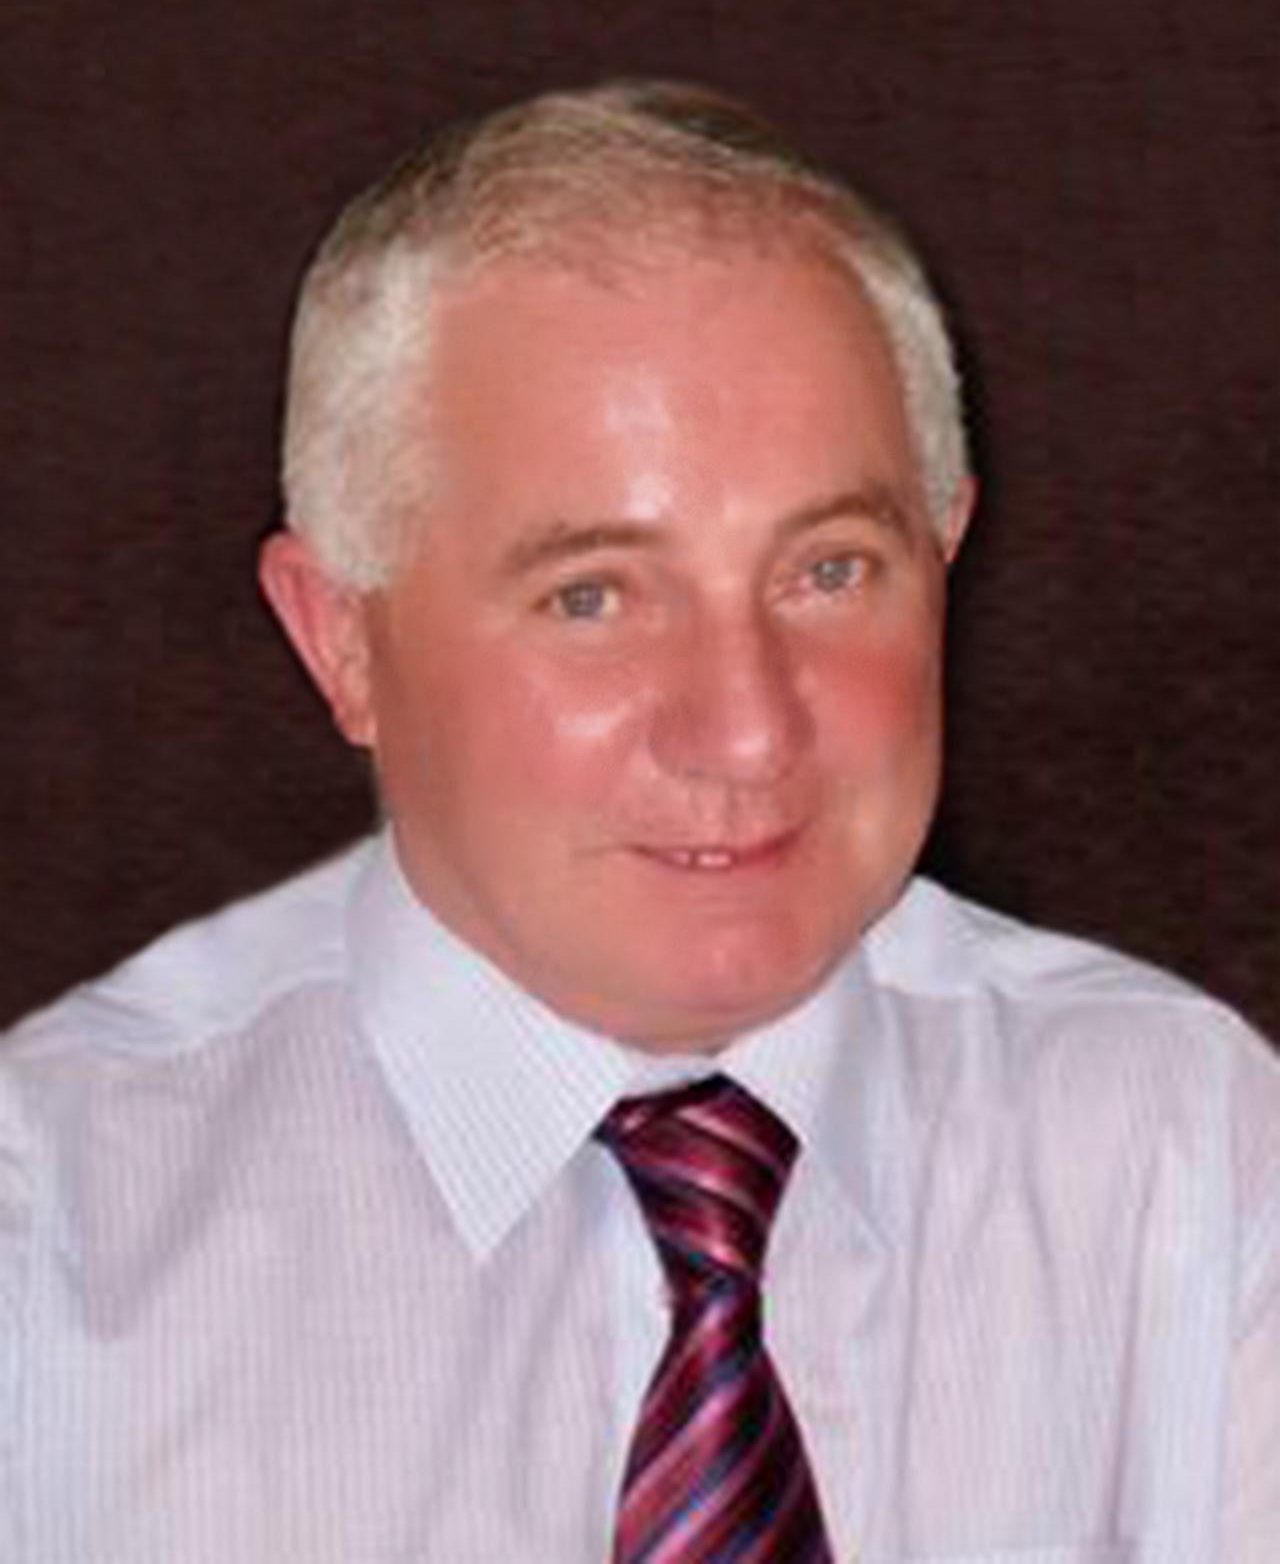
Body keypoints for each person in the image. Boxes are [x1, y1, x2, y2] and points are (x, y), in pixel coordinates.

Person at [1, 81, 1276, 1564]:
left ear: (946, 555)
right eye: (593, 597)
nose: (747, 727)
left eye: (830, 571)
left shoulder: (1192, 1156)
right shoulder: (53, 1235)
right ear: (340, 637)